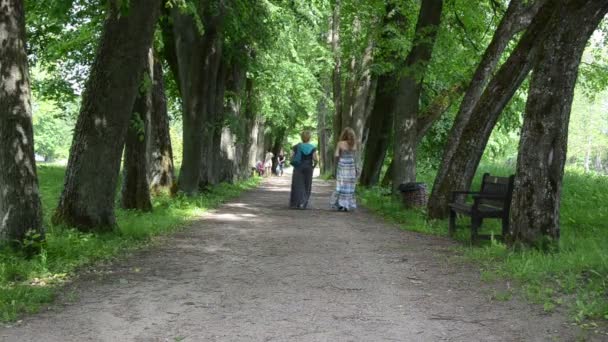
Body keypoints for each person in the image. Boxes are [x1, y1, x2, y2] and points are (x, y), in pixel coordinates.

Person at [331, 127, 358, 212]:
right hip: (351, 165)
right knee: (349, 185)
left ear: (343, 134)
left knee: (341, 184)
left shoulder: (340, 143)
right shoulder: (354, 143)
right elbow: (355, 155)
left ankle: (341, 204)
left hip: (342, 164)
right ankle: (347, 205)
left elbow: (336, 155)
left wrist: (340, 156)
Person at [289, 130, 318, 209]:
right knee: (307, 184)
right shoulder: (313, 147)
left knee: (297, 184)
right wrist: (313, 166)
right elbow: (315, 159)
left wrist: (293, 162)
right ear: (309, 138)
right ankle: (304, 202)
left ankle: (296, 203)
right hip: (308, 167)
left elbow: (291, 156)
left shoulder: (296, 146)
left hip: (298, 167)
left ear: (302, 137)